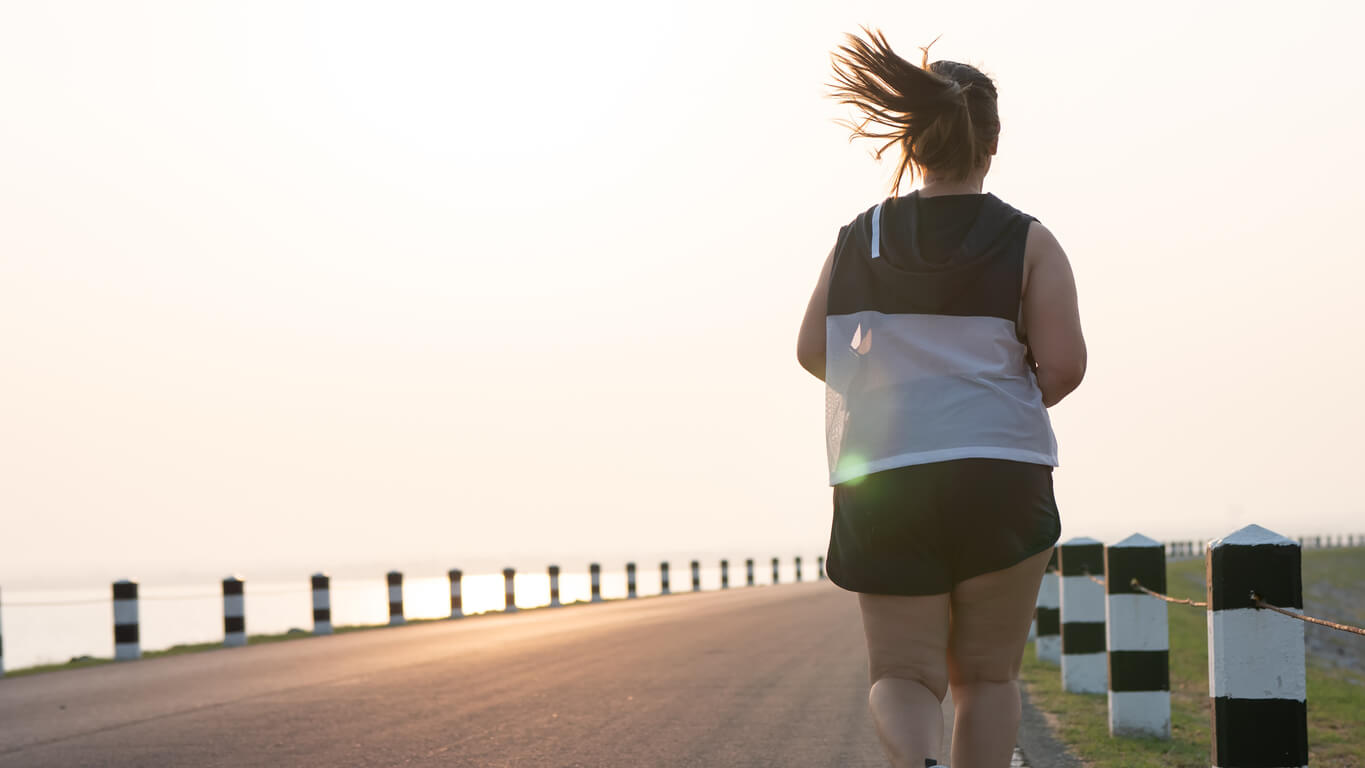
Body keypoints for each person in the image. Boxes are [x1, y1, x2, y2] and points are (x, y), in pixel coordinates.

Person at [796, 29, 1087, 768]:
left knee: (902, 673)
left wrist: (886, 390)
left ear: (913, 142)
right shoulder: (1027, 240)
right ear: (991, 143)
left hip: (885, 471)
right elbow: (1062, 365)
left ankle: (920, 763)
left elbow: (810, 349)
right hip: (1000, 469)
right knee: (987, 675)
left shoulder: (859, 237)